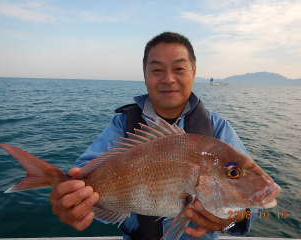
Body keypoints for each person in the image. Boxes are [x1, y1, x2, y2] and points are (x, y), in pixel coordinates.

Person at [49, 32, 257, 239]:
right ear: (145, 74)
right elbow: (81, 176)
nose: (168, 79)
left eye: (179, 69)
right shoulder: (123, 124)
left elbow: (252, 201)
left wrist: (233, 218)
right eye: (157, 70)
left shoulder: (217, 128)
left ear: (194, 72)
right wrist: (72, 199)